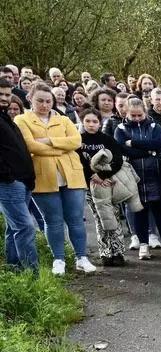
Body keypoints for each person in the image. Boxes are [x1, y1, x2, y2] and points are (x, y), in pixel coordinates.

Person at [15, 84, 93, 276]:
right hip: (44, 176)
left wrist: (49, 141)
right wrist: (62, 147)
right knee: (53, 221)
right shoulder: (22, 119)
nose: (44, 105)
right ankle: (59, 259)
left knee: (75, 219)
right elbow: (31, 146)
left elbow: (76, 142)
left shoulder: (64, 119)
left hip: (71, 175)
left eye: (48, 101)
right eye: (39, 101)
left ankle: (81, 257)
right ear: (30, 100)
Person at [113, 97, 161, 258]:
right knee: (139, 210)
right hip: (134, 176)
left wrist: (133, 143)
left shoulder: (154, 126)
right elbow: (122, 150)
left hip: (157, 174)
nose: (137, 118)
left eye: (140, 115)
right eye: (133, 116)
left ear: (145, 112)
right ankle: (143, 245)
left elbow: (159, 143)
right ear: (127, 113)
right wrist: (148, 150)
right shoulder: (120, 129)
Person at [77, 108, 129, 266]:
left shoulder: (107, 139)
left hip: (109, 184)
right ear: (82, 122)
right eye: (88, 121)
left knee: (113, 217)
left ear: (100, 123)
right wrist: (92, 177)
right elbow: (78, 162)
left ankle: (118, 252)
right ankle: (105, 252)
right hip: (90, 186)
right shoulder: (78, 140)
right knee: (100, 219)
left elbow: (118, 160)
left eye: (94, 121)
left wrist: (103, 176)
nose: (91, 124)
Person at [0, 77, 39, 271]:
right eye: (1, 94)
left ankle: (15, 268)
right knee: (25, 227)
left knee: (13, 228)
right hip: (9, 183)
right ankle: (32, 275)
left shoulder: (5, 117)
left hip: (22, 181)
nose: (4, 98)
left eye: (7, 94)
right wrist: (8, 176)